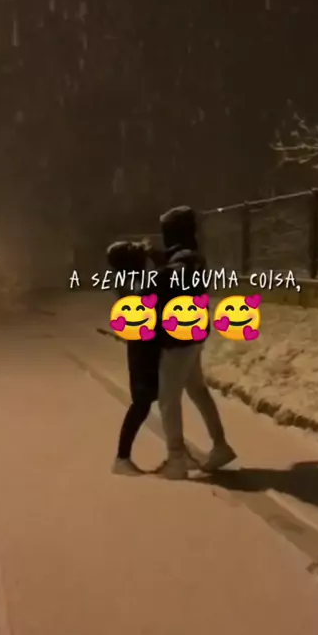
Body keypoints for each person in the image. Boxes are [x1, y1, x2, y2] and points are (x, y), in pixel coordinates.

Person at [152, 205, 236, 480]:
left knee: (168, 399)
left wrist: (152, 274)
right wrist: (156, 257)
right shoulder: (191, 255)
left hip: (180, 338)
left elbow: (172, 276)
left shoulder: (186, 259)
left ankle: (176, 458)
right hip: (192, 334)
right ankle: (220, 445)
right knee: (197, 390)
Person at [107, 240, 161, 476]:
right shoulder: (131, 282)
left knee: (160, 399)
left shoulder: (131, 278)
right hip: (142, 347)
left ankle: (178, 451)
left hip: (144, 345)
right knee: (142, 402)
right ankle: (122, 457)